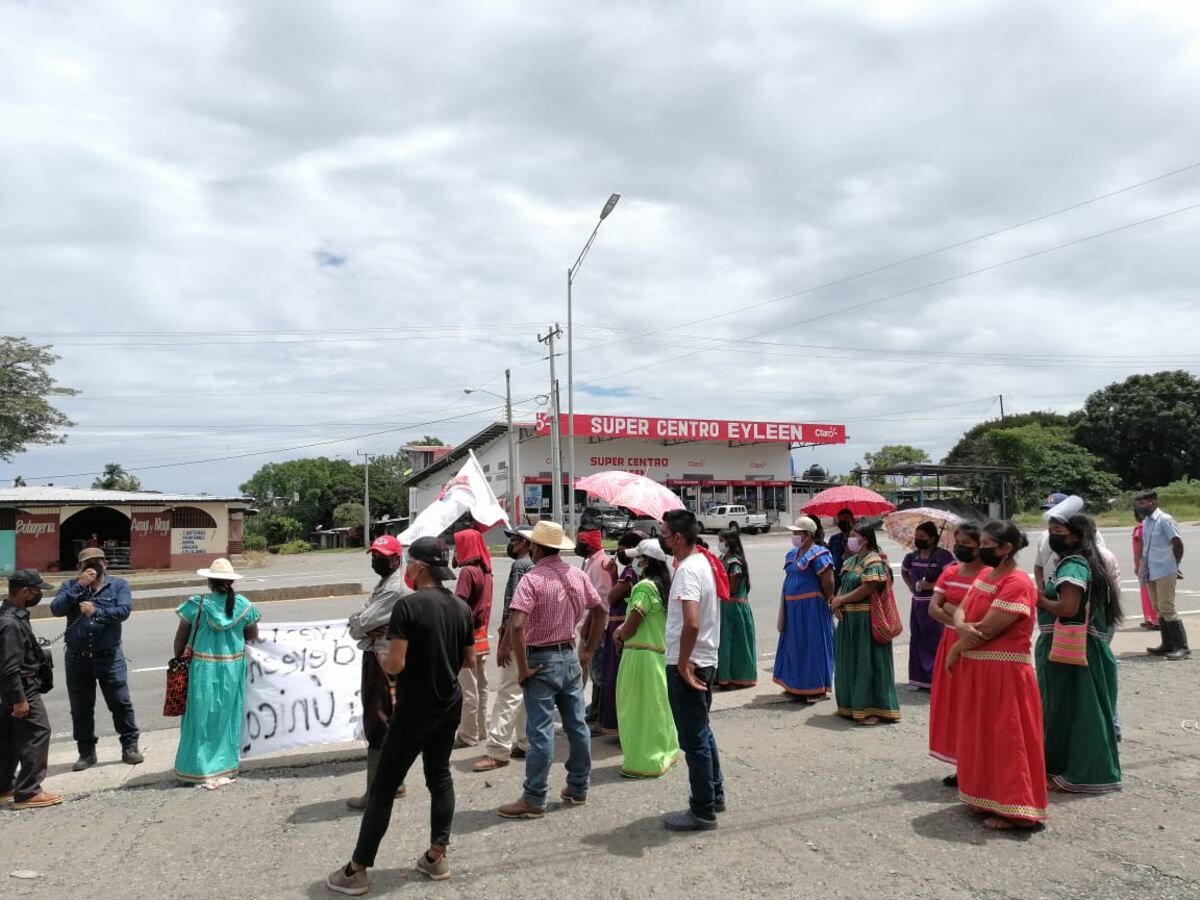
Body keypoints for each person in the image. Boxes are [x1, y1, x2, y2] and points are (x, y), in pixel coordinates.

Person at [327, 537, 476, 893]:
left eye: (410, 563)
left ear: (420, 567)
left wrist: (381, 659)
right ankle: (436, 856)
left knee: (383, 788)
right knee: (439, 778)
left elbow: (396, 664)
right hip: (449, 704)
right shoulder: (460, 607)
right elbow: (470, 660)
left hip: (414, 710)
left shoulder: (408, 608)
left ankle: (357, 869)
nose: (407, 568)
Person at [497, 521, 605, 820]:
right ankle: (578, 787)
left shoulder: (532, 579)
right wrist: (588, 650)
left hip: (540, 659)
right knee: (577, 726)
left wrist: (523, 666)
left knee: (541, 732)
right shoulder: (577, 574)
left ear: (537, 547)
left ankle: (534, 798)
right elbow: (600, 610)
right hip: (569, 655)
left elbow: (517, 625)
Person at [945, 521, 1046, 831]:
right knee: (982, 735)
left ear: (1006, 549)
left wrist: (956, 647)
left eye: (988, 544)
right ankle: (986, 797)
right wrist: (961, 626)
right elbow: (961, 609)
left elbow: (988, 628)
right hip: (980, 670)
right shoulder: (988, 575)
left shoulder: (1018, 582)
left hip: (1005, 672)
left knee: (1007, 737)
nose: (981, 549)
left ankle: (1017, 808)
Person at [1037, 513, 1123, 793]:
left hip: (1069, 649)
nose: (1052, 535)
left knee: (1074, 710)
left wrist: (1036, 596)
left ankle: (1082, 774)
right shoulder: (1088, 561)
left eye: (1057, 530)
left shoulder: (1073, 565)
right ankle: (1069, 769)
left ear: (1075, 535)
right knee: (1081, 709)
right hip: (1084, 648)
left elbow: (1068, 609)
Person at [661, 509, 725, 832]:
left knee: (694, 738)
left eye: (665, 533)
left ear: (678, 538)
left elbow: (692, 622)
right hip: (705, 658)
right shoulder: (701, 564)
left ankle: (702, 809)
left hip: (691, 662)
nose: (662, 538)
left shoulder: (688, 571)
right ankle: (714, 794)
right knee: (703, 730)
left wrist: (684, 664)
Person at [50, 547, 143, 769]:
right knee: (81, 708)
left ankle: (130, 746)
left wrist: (97, 611)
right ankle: (86, 752)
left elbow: (124, 611)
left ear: (105, 563)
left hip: (109, 657)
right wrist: (79, 586)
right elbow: (56, 609)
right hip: (77, 660)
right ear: (79, 567)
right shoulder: (70, 587)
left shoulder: (119, 585)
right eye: (87, 563)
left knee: (121, 703)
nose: (93, 566)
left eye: (97, 561)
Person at [172, 558, 261, 784]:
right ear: (231, 581)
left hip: (202, 667)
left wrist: (179, 659)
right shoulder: (245, 606)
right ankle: (224, 766)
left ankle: (195, 769)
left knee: (199, 719)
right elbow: (253, 636)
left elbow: (180, 638)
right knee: (226, 717)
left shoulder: (196, 604)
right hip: (232, 668)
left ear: (209, 582)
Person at [346, 535, 410, 807]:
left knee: (379, 721)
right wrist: (361, 623)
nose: (376, 561)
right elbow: (357, 623)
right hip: (380, 654)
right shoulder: (385, 584)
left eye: (380, 557)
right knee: (388, 719)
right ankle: (394, 783)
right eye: (374, 556)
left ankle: (376, 792)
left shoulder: (394, 589)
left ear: (396, 559)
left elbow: (360, 625)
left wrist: (362, 623)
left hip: (382, 659)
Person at [612, 539, 680, 778]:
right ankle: (664, 752)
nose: (636, 562)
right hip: (656, 655)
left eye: (639, 558)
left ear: (647, 561)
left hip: (639, 657)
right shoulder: (662, 587)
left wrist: (619, 633)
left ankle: (644, 760)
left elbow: (631, 627)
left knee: (636, 709)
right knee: (657, 707)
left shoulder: (644, 588)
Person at [926, 523, 988, 783]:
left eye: (966, 543)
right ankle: (961, 763)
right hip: (951, 641)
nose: (960, 547)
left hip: (977, 646)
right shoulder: (949, 572)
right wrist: (960, 616)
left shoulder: (989, 575)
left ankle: (978, 765)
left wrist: (952, 609)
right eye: (957, 541)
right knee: (953, 706)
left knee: (975, 707)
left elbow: (984, 616)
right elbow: (933, 608)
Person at [473, 527, 535, 772]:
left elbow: (516, 607)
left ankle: (498, 749)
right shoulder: (535, 564)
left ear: (527, 544)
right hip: (532, 638)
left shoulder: (521, 566)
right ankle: (525, 741)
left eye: (516, 541)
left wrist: (506, 642)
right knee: (522, 691)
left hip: (517, 636)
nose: (512, 545)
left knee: (508, 691)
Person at [0, 569, 62, 810]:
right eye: (37, 591)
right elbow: (9, 667)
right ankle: (28, 792)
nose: (39, 595)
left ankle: (4, 785)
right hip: (22, 690)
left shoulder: (10, 615)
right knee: (38, 733)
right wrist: (19, 700)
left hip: (13, 690)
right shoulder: (10, 623)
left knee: (8, 737)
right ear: (26, 592)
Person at [831, 520, 901, 725]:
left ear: (865, 539)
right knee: (848, 662)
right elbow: (842, 585)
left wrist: (841, 600)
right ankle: (850, 705)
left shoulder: (873, 561)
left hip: (865, 620)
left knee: (867, 662)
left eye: (853, 535)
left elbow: (867, 588)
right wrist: (836, 604)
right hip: (848, 619)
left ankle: (872, 708)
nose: (849, 539)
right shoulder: (850, 561)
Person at [773, 516, 835, 703]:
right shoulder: (793, 553)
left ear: (808, 535)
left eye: (797, 533)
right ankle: (796, 686)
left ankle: (815, 688)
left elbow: (828, 581)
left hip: (811, 608)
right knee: (794, 645)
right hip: (793, 607)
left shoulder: (820, 553)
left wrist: (828, 599)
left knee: (812, 646)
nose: (794, 536)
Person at [596, 530, 647, 735]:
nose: (620, 553)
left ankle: (616, 724)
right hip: (626, 626)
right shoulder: (636, 571)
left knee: (615, 676)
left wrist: (613, 577)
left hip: (620, 628)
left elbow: (612, 596)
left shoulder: (630, 573)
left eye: (622, 549)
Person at [452, 528, 494, 748]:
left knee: (468, 688)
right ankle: (481, 729)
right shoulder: (486, 570)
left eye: (458, 545)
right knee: (481, 686)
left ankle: (468, 734)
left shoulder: (468, 572)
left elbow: (459, 605)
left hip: (467, 639)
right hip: (482, 637)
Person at [901, 522, 955, 690]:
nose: (918, 540)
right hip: (917, 606)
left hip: (936, 605)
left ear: (933, 538)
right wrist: (912, 586)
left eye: (922, 537)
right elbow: (904, 571)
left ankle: (938, 678)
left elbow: (952, 577)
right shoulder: (912, 556)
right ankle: (921, 679)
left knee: (936, 640)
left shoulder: (942, 556)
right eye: (917, 537)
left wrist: (931, 587)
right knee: (918, 641)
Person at [1137, 490, 1189, 660]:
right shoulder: (1146, 521)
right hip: (1151, 570)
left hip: (1166, 569)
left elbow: (1177, 543)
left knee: (1167, 608)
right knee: (1158, 608)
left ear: (1153, 503)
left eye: (1143, 503)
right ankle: (1167, 644)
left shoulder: (1165, 520)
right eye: (1139, 504)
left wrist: (1175, 564)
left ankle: (1182, 647)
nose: (1141, 507)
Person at [576, 527, 616, 726]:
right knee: (592, 671)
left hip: (598, 626)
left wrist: (591, 628)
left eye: (580, 541)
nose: (577, 545)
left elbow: (601, 601)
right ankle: (594, 708)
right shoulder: (589, 561)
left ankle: (599, 714)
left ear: (589, 543)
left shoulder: (600, 564)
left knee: (598, 672)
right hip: (587, 623)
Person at [716, 529, 757, 689]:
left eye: (721, 541)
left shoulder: (734, 563)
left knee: (735, 643)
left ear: (729, 542)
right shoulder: (723, 558)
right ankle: (725, 676)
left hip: (734, 608)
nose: (719, 544)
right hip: (726, 607)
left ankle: (736, 677)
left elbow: (730, 588)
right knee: (725, 643)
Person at [1132, 511, 1159, 630]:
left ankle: (1152, 619)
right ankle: (1154, 618)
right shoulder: (1152, 527)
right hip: (1155, 562)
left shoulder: (1139, 529)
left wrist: (1137, 565)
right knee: (1154, 592)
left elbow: (1138, 550)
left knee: (1146, 592)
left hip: (1145, 564)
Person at [826, 508, 855, 582]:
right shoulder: (834, 539)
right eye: (839, 520)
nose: (842, 522)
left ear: (852, 520)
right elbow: (828, 558)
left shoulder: (857, 538)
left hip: (852, 577)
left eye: (845, 519)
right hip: (836, 576)